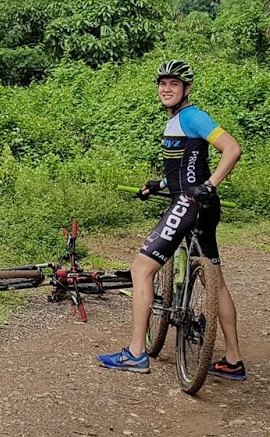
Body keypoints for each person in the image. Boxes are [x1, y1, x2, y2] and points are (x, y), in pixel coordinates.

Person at [99, 59, 246, 377]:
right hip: (202, 205)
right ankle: (233, 361)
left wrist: (208, 185)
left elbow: (232, 149)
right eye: (163, 84)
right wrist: (160, 184)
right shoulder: (178, 120)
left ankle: (135, 354)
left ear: (186, 89)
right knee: (216, 283)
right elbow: (188, 167)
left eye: (174, 84)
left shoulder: (192, 116)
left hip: (189, 204)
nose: (166, 89)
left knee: (141, 269)